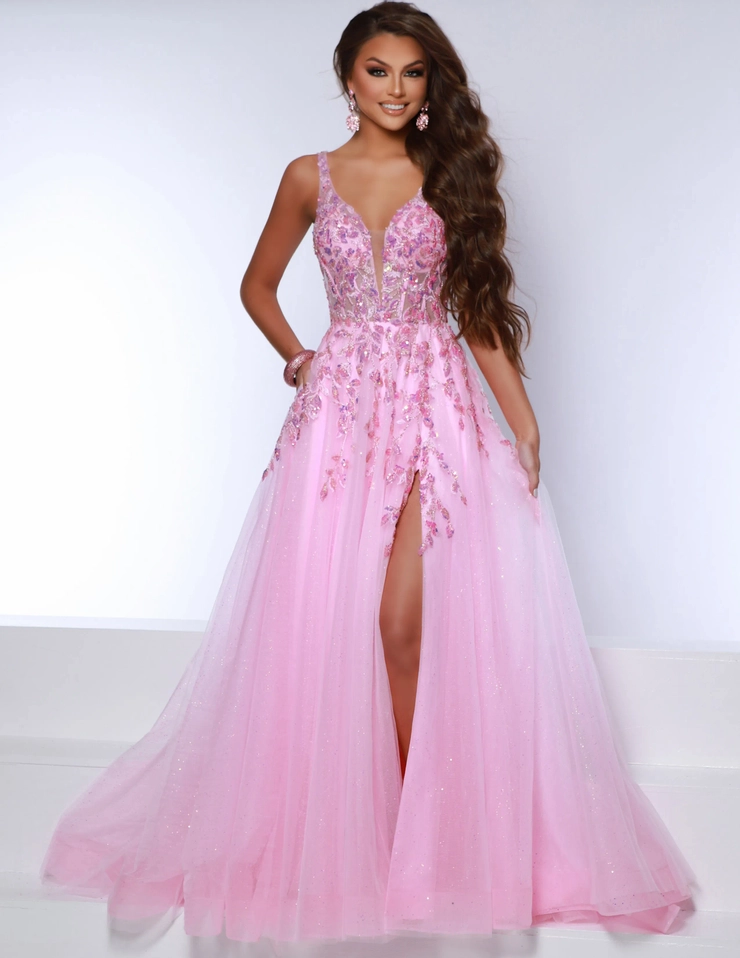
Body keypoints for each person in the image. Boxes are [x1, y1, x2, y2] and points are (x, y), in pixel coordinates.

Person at [41, 1, 697, 944]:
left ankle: (421, 842)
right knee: (323, 622)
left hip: (435, 407)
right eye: (379, 70)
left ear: (431, 87)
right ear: (348, 77)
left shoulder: (448, 174)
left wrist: (523, 422)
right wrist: (299, 356)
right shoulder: (307, 177)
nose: (396, 88)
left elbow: (478, 314)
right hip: (341, 417)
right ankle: (365, 836)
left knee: (402, 623)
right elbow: (256, 284)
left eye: (413, 72)